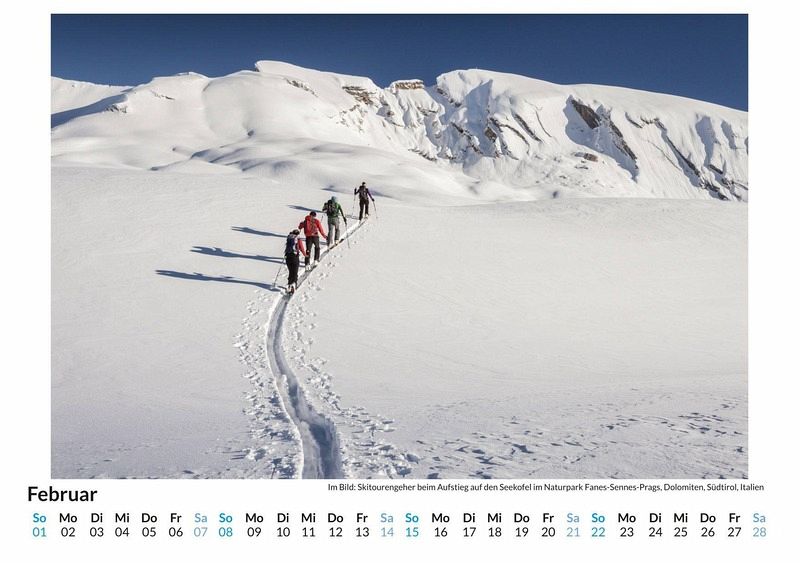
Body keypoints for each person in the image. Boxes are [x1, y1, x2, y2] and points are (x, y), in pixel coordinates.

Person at [283, 229, 307, 294]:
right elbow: (301, 248)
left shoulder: (289, 238)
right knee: (295, 271)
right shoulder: (298, 239)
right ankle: (294, 285)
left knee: (291, 271)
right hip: (294, 256)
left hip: (287, 256)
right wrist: (305, 255)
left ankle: (289, 285)